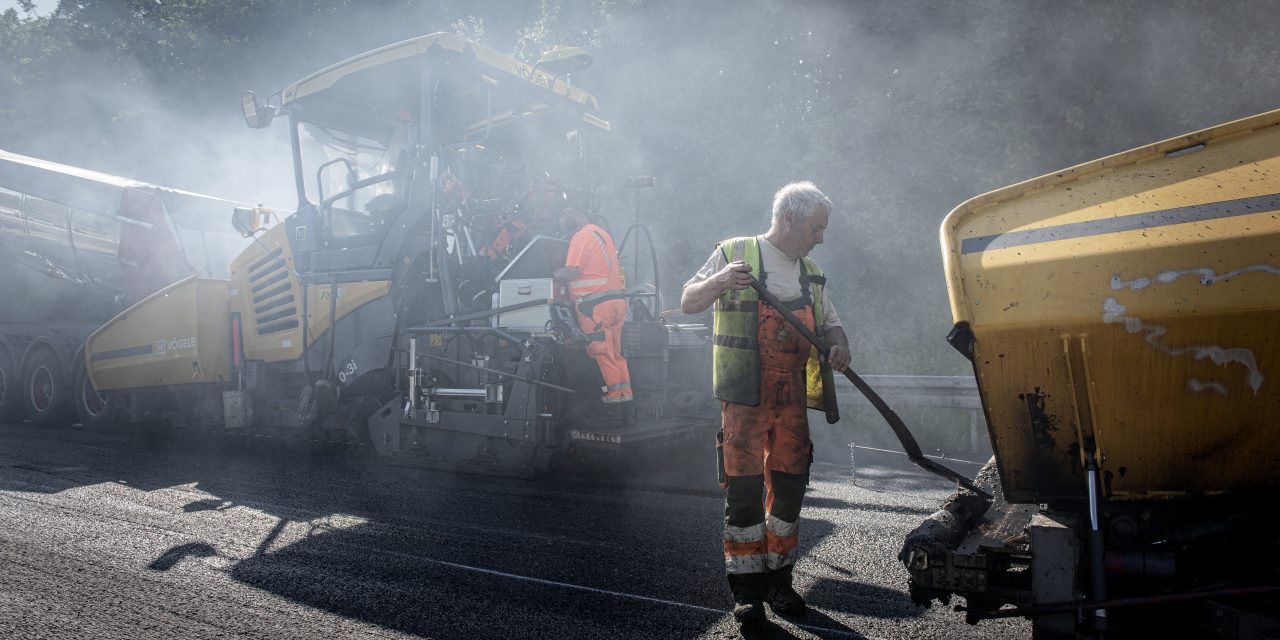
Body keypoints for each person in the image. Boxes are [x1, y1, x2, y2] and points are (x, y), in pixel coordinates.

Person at [680, 181, 850, 635]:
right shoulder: (735, 252)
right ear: (789, 218)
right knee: (744, 496)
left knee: (789, 495)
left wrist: (840, 346)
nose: (820, 237)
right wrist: (719, 280)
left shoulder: (809, 272)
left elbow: (832, 326)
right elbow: (687, 301)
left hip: (790, 398)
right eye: (816, 227)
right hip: (743, 400)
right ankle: (747, 597)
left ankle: (780, 584)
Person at [553, 206, 634, 416]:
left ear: (572, 217)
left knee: (601, 352)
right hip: (616, 303)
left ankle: (614, 403)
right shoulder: (601, 234)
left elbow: (572, 271)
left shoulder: (581, 237)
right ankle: (625, 401)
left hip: (594, 307)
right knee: (615, 353)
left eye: (563, 219)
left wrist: (554, 273)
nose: (562, 225)